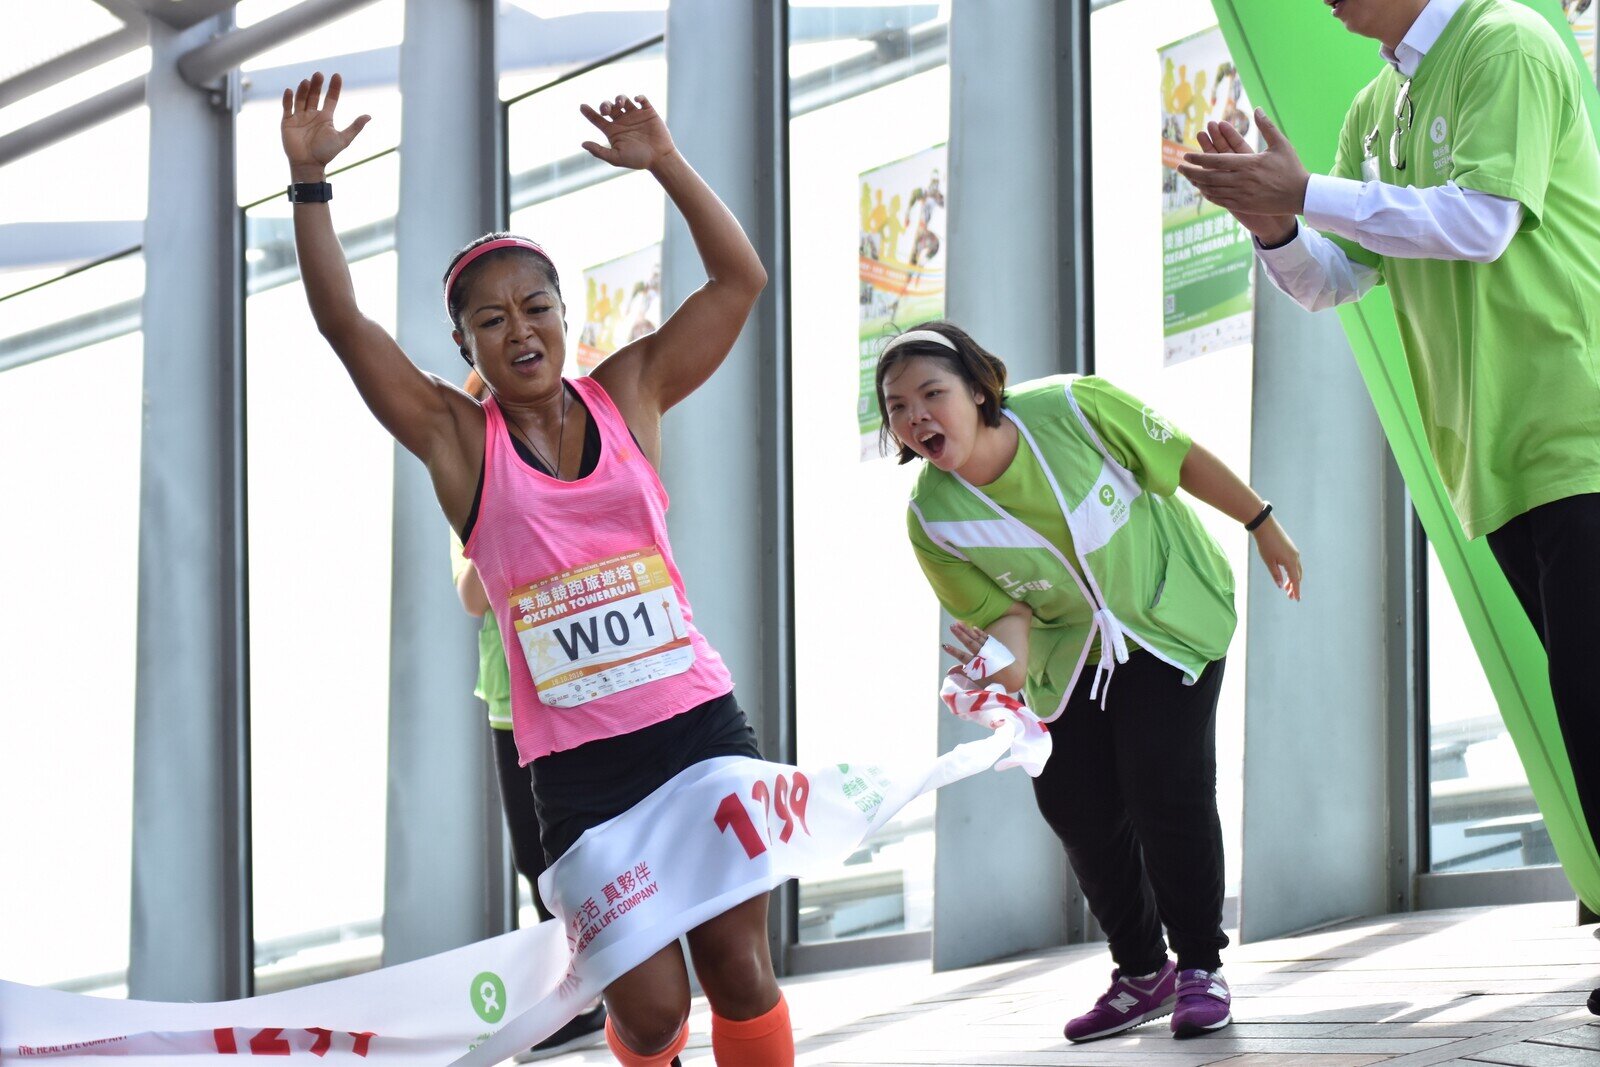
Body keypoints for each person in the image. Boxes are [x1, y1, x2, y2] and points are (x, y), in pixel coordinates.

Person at [280, 72, 788, 1065]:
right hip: (581, 770)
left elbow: (740, 283)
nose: (521, 330)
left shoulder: (630, 390)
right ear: (464, 342)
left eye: (536, 306)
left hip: (697, 728)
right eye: (493, 320)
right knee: (650, 1012)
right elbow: (346, 325)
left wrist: (668, 162)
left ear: (564, 312)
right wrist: (309, 185)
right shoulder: (456, 440)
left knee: (740, 969)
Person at [1178, 0, 1600, 1017]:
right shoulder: (1375, 107)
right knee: (1585, 711)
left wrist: (1309, 191)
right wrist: (1275, 222)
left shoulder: (1504, 38)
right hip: (1491, 460)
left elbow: (1481, 221)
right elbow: (1330, 281)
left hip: (1579, 423)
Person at [877, 322, 1301, 1043]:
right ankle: (1142, 972)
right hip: (1070, 650)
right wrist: (989, 675)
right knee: (1070, 797)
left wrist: (1261, 521)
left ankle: (1200, 965)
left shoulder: (1073, 408)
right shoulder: (932, 518)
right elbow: (1008, 619)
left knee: (1162, 781)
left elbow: (1181, 458)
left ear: (979, 389)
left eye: (931, 393)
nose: (915, 416)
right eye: (895, 406)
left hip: (1169, 611)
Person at [449, 368, 606, 1059]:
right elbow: (469, 595)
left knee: (593, 845)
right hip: (511, 701)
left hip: (580, 691)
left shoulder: (572, 463)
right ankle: (574, 996)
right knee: (534, 859)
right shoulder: (466, 486)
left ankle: (618, 981)